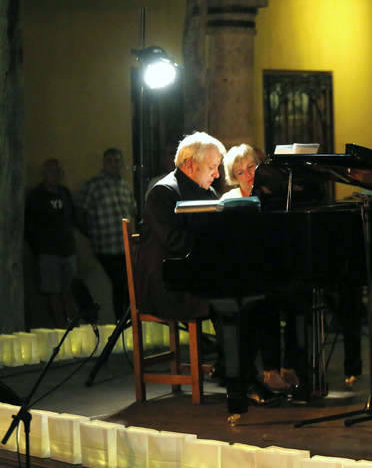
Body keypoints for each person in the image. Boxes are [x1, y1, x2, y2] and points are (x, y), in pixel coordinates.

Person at [136, 132, 272, 411]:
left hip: (196, 276)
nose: (217, 175)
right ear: (189, 163)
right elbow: (174, 243)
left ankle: (241, 374)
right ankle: (240, 383)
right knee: (227, 303)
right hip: (167, 283)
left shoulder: (206, 192)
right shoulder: (163, 192)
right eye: (212, 168)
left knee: (256, 300)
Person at [221, 143, 301, 393]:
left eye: (252, 167)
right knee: (266, 304)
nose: (248, 175)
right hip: (242, 273)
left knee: (297, 302)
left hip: (270, 268)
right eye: (241, 171)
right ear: (234, 177)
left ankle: (290, 366)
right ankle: (269, 371)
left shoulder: (273, 198)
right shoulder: (228, 201)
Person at [79, 148, 138, 321]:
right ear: (104, 163)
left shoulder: (124, 186)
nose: (114, 164)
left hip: (124, 245)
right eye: (110, 161)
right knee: (120, 284)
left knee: (126, 285)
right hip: (105, 246)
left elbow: (132, 213)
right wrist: (91, 234)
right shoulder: (94, 186)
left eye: (117, 161)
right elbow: (81, 212)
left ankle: (126, 324)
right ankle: (121, 323)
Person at [25, 158, 78, 327]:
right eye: (51, 172)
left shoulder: (64, 193)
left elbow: (73, 218)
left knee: (69, 291)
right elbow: (30, 225)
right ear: (44, 175)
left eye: (57, 172)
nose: (54, 176)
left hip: (67, 250)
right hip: (48, 252)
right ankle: (61, 327)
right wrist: (38, 248)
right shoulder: (37, 196)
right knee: (53, 292)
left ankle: (72, 328)